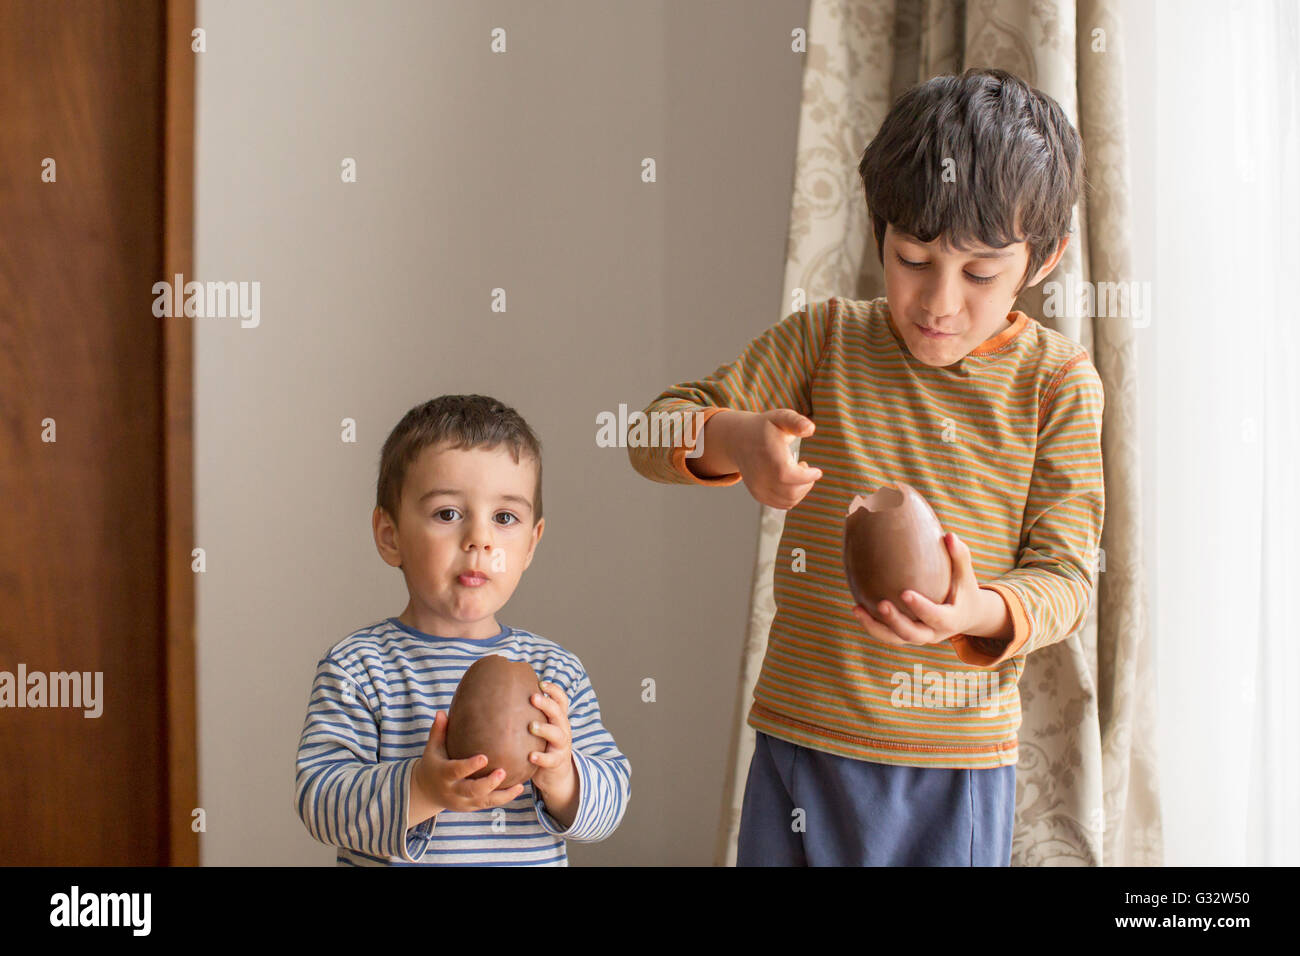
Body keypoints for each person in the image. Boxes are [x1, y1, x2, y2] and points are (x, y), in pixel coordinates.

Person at [628, 68, 1102, 866]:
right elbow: (651, 434)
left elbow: (1066, 580)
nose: (938, 301)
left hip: (952, 765)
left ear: (1044, 258)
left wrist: (976, 610)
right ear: (879, 229)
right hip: (801, 740)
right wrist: (739, 438)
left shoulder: (1056, 384)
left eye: (980, 274)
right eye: (912, 257)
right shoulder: (826, 340)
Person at [296, 394, 630, 865]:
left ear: (531, 544)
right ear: (390, 536)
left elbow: (613, 798)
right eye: (448, 514)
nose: (480, 539)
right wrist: (421, 789)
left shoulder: (555, 673)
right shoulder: (359, 667)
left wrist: (564, 778)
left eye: (505, 517)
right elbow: (319, 800)